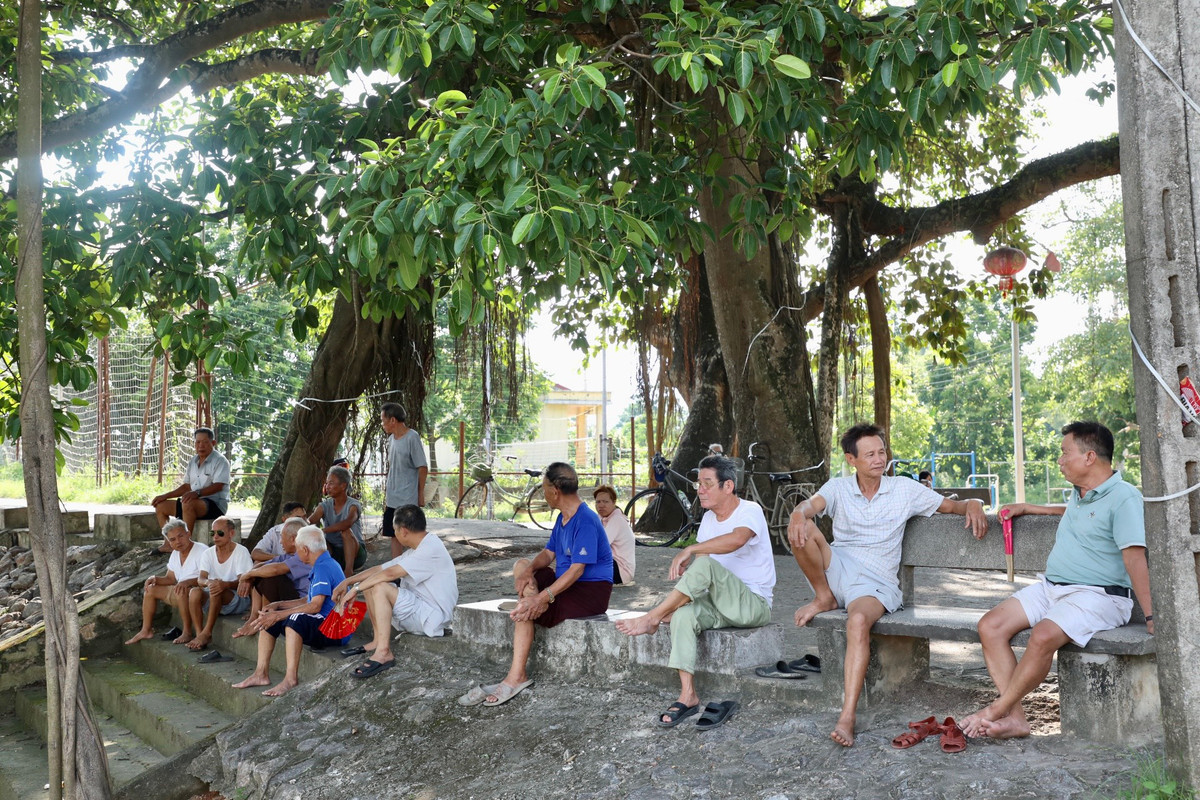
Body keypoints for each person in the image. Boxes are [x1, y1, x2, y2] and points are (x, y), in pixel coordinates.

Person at [788, 422, 988, 747]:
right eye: (869, 454)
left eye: (882, 452)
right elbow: (809, 507)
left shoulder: (904, 490)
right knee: (801, 529)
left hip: (875, 583)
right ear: (851, 459)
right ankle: (823, 597)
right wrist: (798, 514)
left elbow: (953, 506)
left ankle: (847, 715)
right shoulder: (838, 487)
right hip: (837, 566)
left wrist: (975, 504)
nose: (879, 459)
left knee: (857, 621)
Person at [962, 422, 1152, 740]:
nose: (1060, 460)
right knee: (990, 626)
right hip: (1053, 588)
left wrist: (1150, 616)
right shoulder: (1081, 493)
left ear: (1089, 457)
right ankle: (1017, 719)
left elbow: (1134, 559)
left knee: (1042, 635)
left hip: (1100, 596)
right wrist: (1029, 507)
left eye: (1065, 453)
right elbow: (1076, 513)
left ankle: (995, 710)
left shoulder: (1124, 498)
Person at [615, 455, 773, 728]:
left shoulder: (750, 510)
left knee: (705, 563)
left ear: (728, 486)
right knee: (684, 616)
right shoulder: (709, 519)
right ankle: (688, 695)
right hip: (719, 603)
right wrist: (678, 605)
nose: (699, 489)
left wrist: (691, 548)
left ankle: (652, 617)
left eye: (707, 484)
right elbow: (701, 574)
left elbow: (737, 540)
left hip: (753, 604)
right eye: (699, 483)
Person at [458, 462, 613, 708]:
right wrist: (528, 572)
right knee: (521, 565)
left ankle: (516, 676)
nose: (543, 493)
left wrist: (541, 598)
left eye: (544, 488)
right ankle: (527, 606)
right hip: (567, 584)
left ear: (555, 491)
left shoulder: (585, 520)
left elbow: (577, 570)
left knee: (526, 607)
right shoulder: (564, 517)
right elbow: (548, 553)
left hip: (590, 592)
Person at [332, 505, 458, 679]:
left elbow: (389, 574)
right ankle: (377, 641)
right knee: (372, 582)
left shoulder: (430, 548)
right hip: (421, 610)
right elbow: (381, 568)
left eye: (395, 529)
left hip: (432, 617)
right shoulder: (419, 547)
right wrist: (348, 581)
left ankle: (384, 652)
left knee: (380, 586)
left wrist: (355, 589)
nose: (395, 534)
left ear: (403, 531)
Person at [232, 525, 348, 697]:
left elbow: (315, 606)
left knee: (294, 619)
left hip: (335, 629)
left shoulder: (324, 567)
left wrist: (279, 614)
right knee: (269, 617)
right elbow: (309, 600)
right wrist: (279, 605)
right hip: (323, 621)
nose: (297, 555)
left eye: (298, 551)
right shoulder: (322, 563)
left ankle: (290, 679)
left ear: (305, 550)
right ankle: (260, 673)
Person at [124, 519, 210, 646]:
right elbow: (170, 578)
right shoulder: (175, 554)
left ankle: (187, 631)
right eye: (172, 539)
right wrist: (155, 578)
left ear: (188, 534)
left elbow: (208, 578)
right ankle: (146, 630)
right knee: (151, 589)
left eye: (180, 536)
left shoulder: (202, 551)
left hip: (200, 595)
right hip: (181, 593)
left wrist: (187, 582)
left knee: (181, 589)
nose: (178, 541)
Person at [233, 517, 312, 639]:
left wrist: (248, 575)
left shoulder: (304, 556)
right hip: (289, 598)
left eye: (282, 537)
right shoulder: (288, 555)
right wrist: (248, 577)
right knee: (260, 573)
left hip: (302, 603)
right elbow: (261, 565)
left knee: (270, 576)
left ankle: (262, 621)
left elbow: (275, 569)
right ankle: (254, 617)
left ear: (293, 539)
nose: (280, 542)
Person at [186, 517, 254, 651]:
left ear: (231, 533)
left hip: (237, 599)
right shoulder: (208, 553)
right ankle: (200, 633)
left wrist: (225, 585)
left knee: (216, 589)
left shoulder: (241, 551)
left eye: (220, 533)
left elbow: (245, 582)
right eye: (213, 533)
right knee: (194, 592)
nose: (215, 536)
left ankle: (207, 633)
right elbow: (201, 579)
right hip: (214, 597)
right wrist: (208, 582)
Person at [151, 427, 231, 536]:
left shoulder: (220, 461)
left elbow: (218, 486)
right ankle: (169, 543)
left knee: (188, 503)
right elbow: (187, 487)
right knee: (160, 506)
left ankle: (186, 542)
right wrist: (165, 496)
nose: (201, 445)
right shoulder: (193, 461)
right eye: (198, 442)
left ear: (213, 443)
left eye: (205, 442)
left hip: (215, 505)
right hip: (194, 501)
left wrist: (196, 493)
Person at [381, 402, 429, 559]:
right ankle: (396, 573)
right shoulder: (391, 440)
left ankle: (417, 568)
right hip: (392, 497)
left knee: (411, 535)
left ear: (393, 420)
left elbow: (422, 467)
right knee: (395, 535)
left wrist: (420, 493)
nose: (382, 424)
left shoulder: (412, 437)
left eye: (383, 420)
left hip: (408, 497)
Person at [308, 465, 365, 577]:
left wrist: (323, 530)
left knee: (346, 532)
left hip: (356, 554)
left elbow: (347, 523)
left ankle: (348, 571)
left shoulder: (353, 505)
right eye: (327, 483)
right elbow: (310, 522)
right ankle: (324, 569)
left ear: (343, 486)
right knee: (320, 539)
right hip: (333, 552)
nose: (327, 487)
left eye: (331, 483)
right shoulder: (324, 506)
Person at [593, 485, 636, 585]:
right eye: (598, 502)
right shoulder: (600, 518)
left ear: (613, 503)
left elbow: (600, 545)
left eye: (606, 501)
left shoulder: (617, 519)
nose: (601, 505)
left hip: (621, 570)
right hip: (610, 564)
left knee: (582, 565)